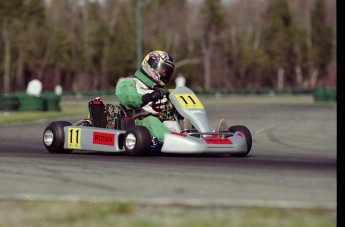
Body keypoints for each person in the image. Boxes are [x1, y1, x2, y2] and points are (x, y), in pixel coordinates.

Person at [115, 50, 175, 142]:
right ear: (150, 66)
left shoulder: (160, 91)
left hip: (162, 121)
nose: (165, 74)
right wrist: (148, 97)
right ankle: (174, 141)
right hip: (138, 122)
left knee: (179, 118)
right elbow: (129, 99)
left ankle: (194, 136)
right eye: (163, 71)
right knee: (151, 120)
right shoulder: (130, 83)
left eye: (167, 72)